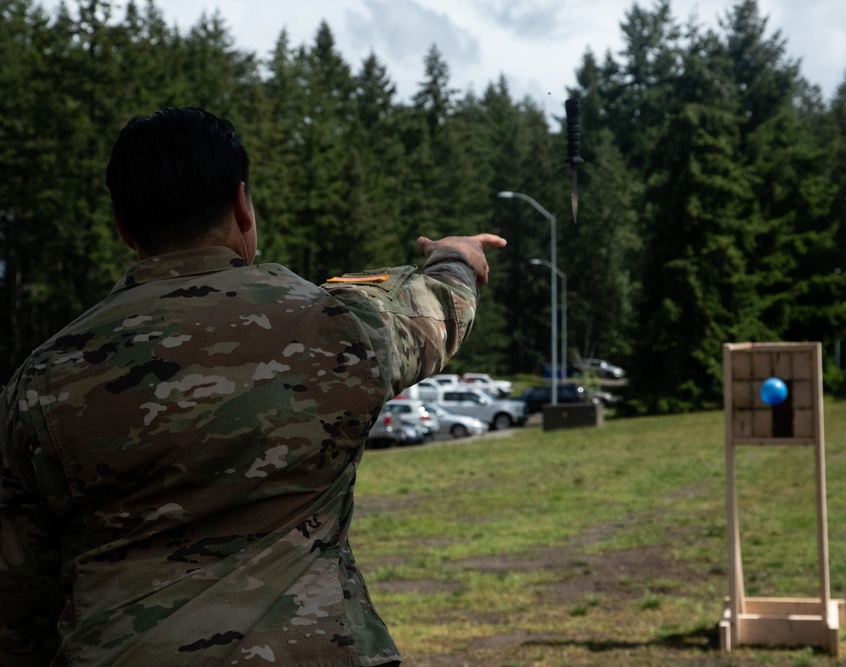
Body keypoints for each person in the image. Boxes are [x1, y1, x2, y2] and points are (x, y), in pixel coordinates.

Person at [0, 107, 505, 666]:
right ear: (242, 205)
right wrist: (455, 256)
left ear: (123, 225)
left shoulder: (43, 381)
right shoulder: (333, 327)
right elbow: (438, 309)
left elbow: (18, 588)